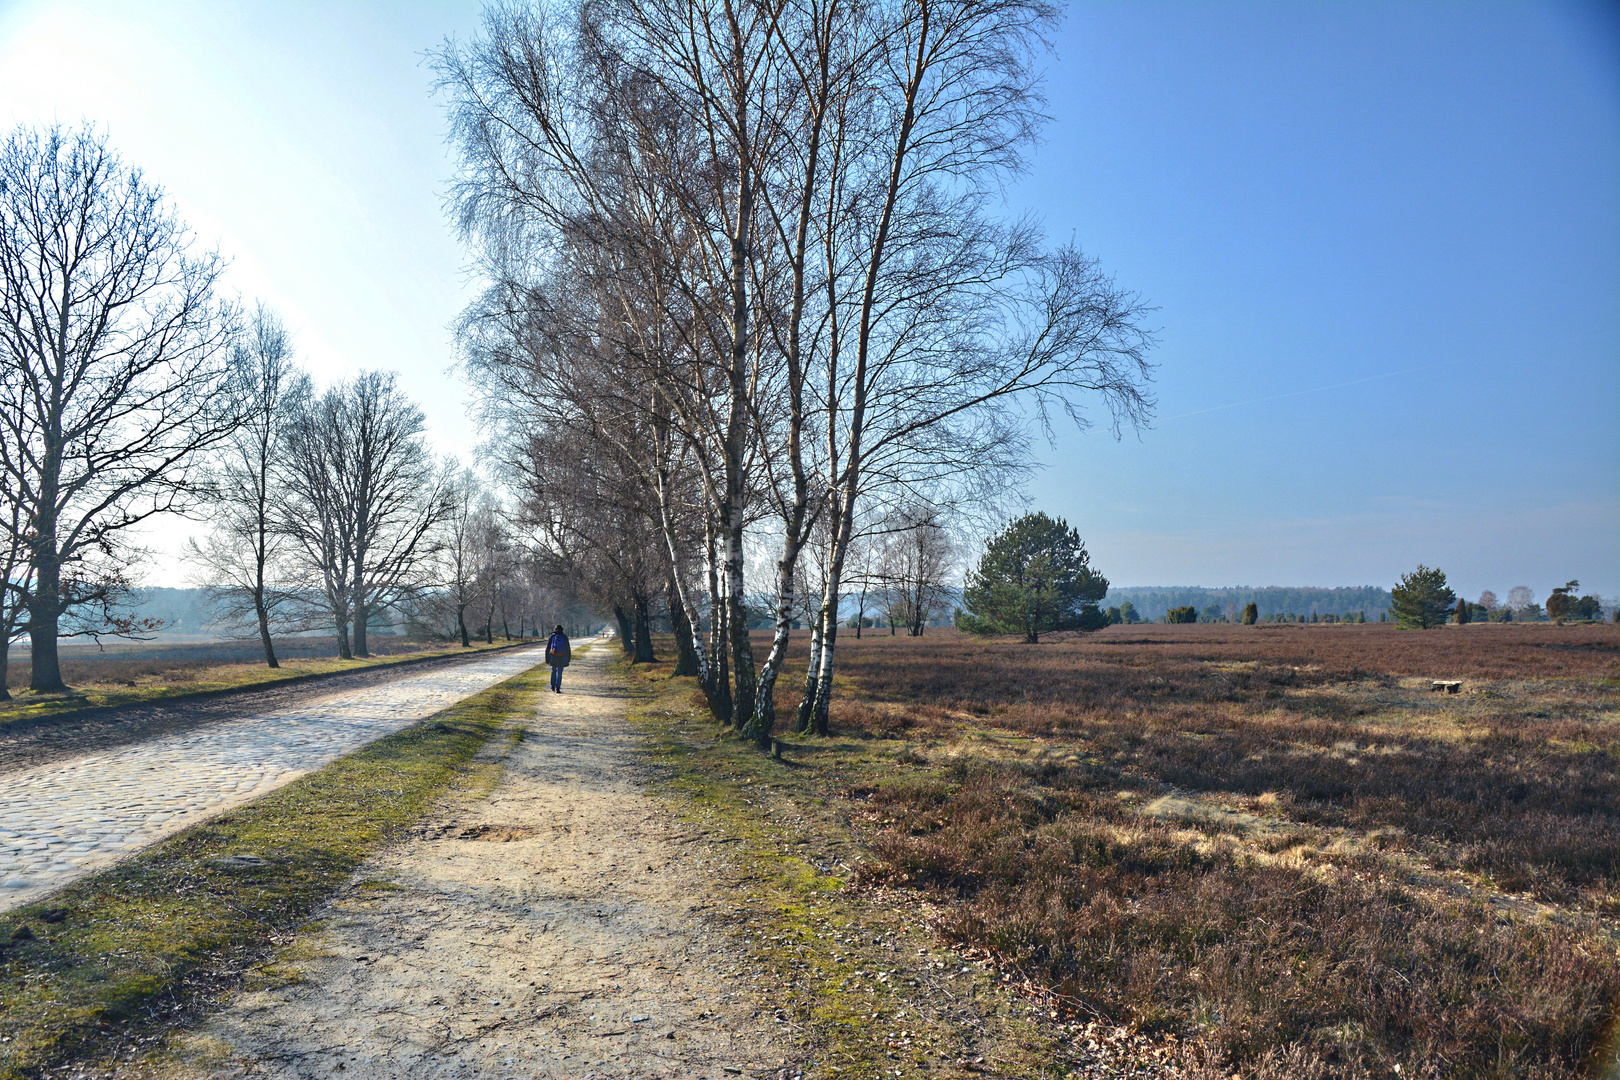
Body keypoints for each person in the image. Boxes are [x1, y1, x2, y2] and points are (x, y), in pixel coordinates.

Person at [545, 625, 571, 692]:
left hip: (553, 656)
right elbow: (568, 648)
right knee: (560, 672)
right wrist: (568, 658)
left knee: (553, 670)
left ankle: (552, 686)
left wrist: (547, 658)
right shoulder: (564, 637)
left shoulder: (552, 636)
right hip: (562, 657)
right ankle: (558, 688)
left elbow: (548, 648)